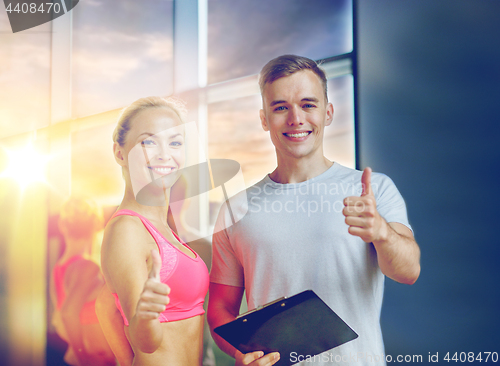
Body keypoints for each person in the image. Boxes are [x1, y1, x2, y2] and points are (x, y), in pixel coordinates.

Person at [207, 55, 421, 366]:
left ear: (328, 112)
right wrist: (241, 352)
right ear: (264, 119)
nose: (296, 119)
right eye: (281, 107)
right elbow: (219, 308)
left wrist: (382, 233)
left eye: (308, 104)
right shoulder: (234, 209)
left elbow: (408, 271)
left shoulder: (373, 191)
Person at [99, 96, 209, 366]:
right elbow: (145, 342)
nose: (164, 154)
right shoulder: (127, 228)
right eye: (148, 142)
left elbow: (103, 305)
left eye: (175, 142)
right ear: (120, 153)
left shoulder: (162, 228)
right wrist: (145, 316)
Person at [50, 196, 116, 366]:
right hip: (91, 361)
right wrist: (83, 355)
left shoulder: (59, 268)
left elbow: (57, 321)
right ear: (98, 225)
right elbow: (67, 313)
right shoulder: (87, 267)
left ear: (62, 226)